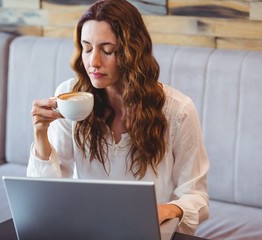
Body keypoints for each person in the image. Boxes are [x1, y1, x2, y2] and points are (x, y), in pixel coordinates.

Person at [28, 0, 209, 235]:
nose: (93, 62)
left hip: (145, 231)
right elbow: (45, 194)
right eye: (87, 48)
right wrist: (40, 133)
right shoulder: (70, 97)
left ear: (132, 51)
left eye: (107, 50)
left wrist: (166, 210)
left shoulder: (178, 110)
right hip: (87, 229)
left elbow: (196, 195)